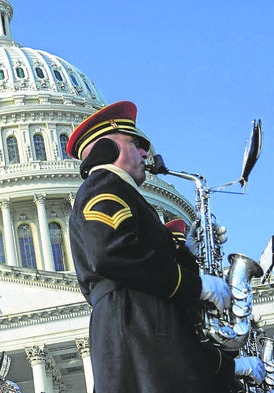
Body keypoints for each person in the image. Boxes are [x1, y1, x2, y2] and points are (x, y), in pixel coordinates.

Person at [67, 101, 265, 392]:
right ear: (110, 148)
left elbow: (135, 256)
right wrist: (197, 285)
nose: (147, 153)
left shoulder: (121, 191)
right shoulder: (103, 187)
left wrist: (189, 254)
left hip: (143, 323)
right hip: (135, 327)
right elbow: (111, 254)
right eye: (137, 144)